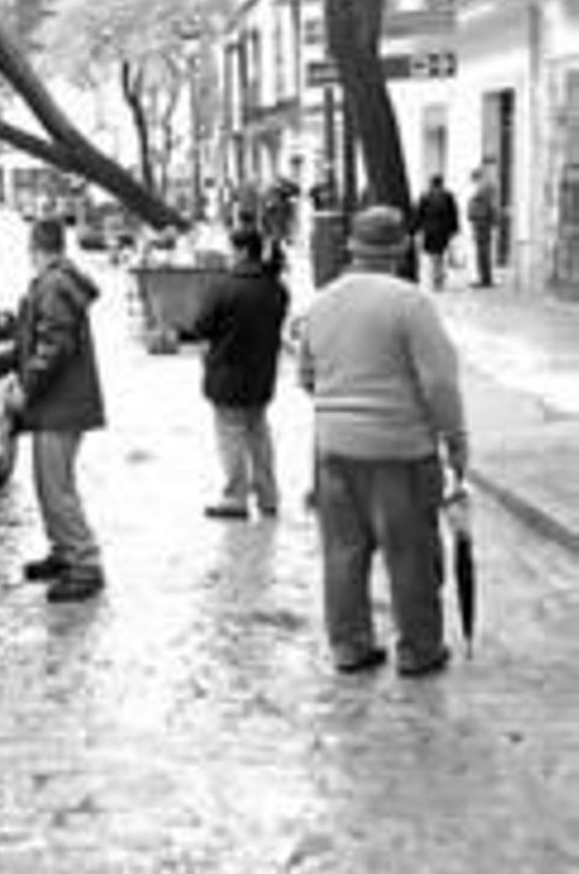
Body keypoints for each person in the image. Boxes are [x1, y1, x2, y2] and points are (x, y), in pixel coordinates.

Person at [297, 205, 468, 677]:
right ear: (402, 248)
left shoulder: (321, 303)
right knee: (410, 553)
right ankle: (419, 650)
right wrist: (455, 439)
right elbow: (439, 383)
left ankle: (349, 645)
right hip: (400, 451)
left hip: (333, 451)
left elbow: (308, 377)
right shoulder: (410, 303)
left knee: (342, 554)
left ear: (352, 247)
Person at [13, 215, 107, 602]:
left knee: (56, 489)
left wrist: (27, 389)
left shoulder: (52, 284)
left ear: (35, 247)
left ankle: (84, 564)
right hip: (62, 402)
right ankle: (64, 551)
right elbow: (40, 343)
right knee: (51, 484)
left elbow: (53, 346)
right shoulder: (58, 281)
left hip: (60, 403)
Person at [191, 228, 290, 521]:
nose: (229, 255)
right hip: (262, 376)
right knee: (258, 432)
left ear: (244, 251)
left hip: (227, 377)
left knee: (231, 436)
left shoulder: (224, 287)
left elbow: (200, 327)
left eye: (232, 249)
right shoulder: (276, 288)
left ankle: (235, 498)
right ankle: (269, 496)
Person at [416, 174, 461, 291]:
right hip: (443, 230)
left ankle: (437, 277)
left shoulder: (425, 196)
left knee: (434, 255)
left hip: (430, 230)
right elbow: (454, 213)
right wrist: (454, 229)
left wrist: (417, 228)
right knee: (439, 254)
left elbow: (419, 214)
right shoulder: (447, 196)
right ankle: (438, 276)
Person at [466, 167, 500, 288]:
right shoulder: (485, 187)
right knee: (482, 252)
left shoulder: (484, 188)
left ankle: (485, 279)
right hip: (481, 222)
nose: (473, 182)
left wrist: (493, 220)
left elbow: (490, 206)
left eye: (474, 179)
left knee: (483, 252)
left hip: (482, 223)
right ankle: (484, 277)